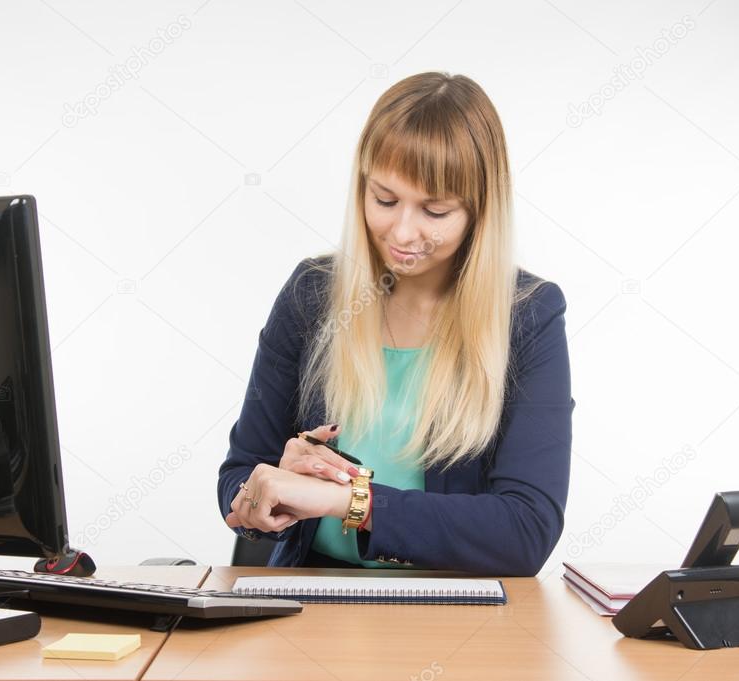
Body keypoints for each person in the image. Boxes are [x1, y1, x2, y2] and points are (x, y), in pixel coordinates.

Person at [216, 71, 574, 575]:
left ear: (479, 211)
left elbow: (525, 530)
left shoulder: (528, 314)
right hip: (313, 600)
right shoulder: (312, 294)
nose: (403, 232)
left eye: (435, 210)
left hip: (457, 613)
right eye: (384, 200)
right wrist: (265, 490)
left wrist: (350, 501)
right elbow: (238, 475)